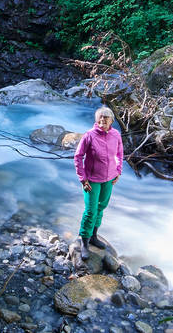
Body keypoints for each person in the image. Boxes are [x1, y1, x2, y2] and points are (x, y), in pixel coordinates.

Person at [74, 106, 123, 260]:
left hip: (109, 179)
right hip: (92, 180)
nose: (102, 120)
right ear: (96, 119)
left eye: (106, 118)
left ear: (111, 120)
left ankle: (94, 236)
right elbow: (78, 156)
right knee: (90, 211)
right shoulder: (89, 136)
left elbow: (119, 154)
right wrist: (83, 178)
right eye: (100, 118)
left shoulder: (116, 135)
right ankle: (85, 242)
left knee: (101, 208)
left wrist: (118, 170)